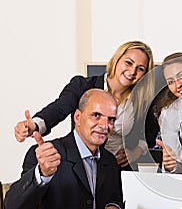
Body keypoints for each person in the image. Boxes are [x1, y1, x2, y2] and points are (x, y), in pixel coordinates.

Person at [4, 89, 123, 209]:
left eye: (111, 119)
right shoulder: (44, 154)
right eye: (96, 115)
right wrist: (42, 174)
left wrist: (113, 207)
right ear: (77, 118)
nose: (104, 126)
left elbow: (116, 197)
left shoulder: (109, 160)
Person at [14, 40, 155, 170]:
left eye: (140, 68)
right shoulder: (82, 86)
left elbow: (151, 132)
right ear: (117, 60)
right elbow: (60, 108)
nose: (132, 72)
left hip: (116, 169)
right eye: (128, 63)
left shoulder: (141, 99)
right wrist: (34, 125)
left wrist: (136, 150)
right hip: (82, 164)